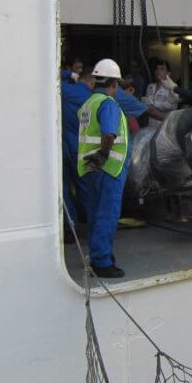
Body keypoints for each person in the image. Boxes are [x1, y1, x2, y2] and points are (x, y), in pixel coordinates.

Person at [77, 59, 131, 279]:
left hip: (88, 168)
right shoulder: (108, 104)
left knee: (95, 216)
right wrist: (104, 154)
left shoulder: (88, 104)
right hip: (107, 169)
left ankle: (99, 256)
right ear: (115, 84)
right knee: (107, 215)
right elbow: (109, 133)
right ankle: (102, 262)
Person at [60, 65, 93, 225]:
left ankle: (69, 225)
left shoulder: (67, 91)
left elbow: (51, 77)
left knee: (64, 188)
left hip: (64, 148)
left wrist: (68, 73)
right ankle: (92, 224)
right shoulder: (93, 98)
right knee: (86, 188)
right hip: (84, 149)